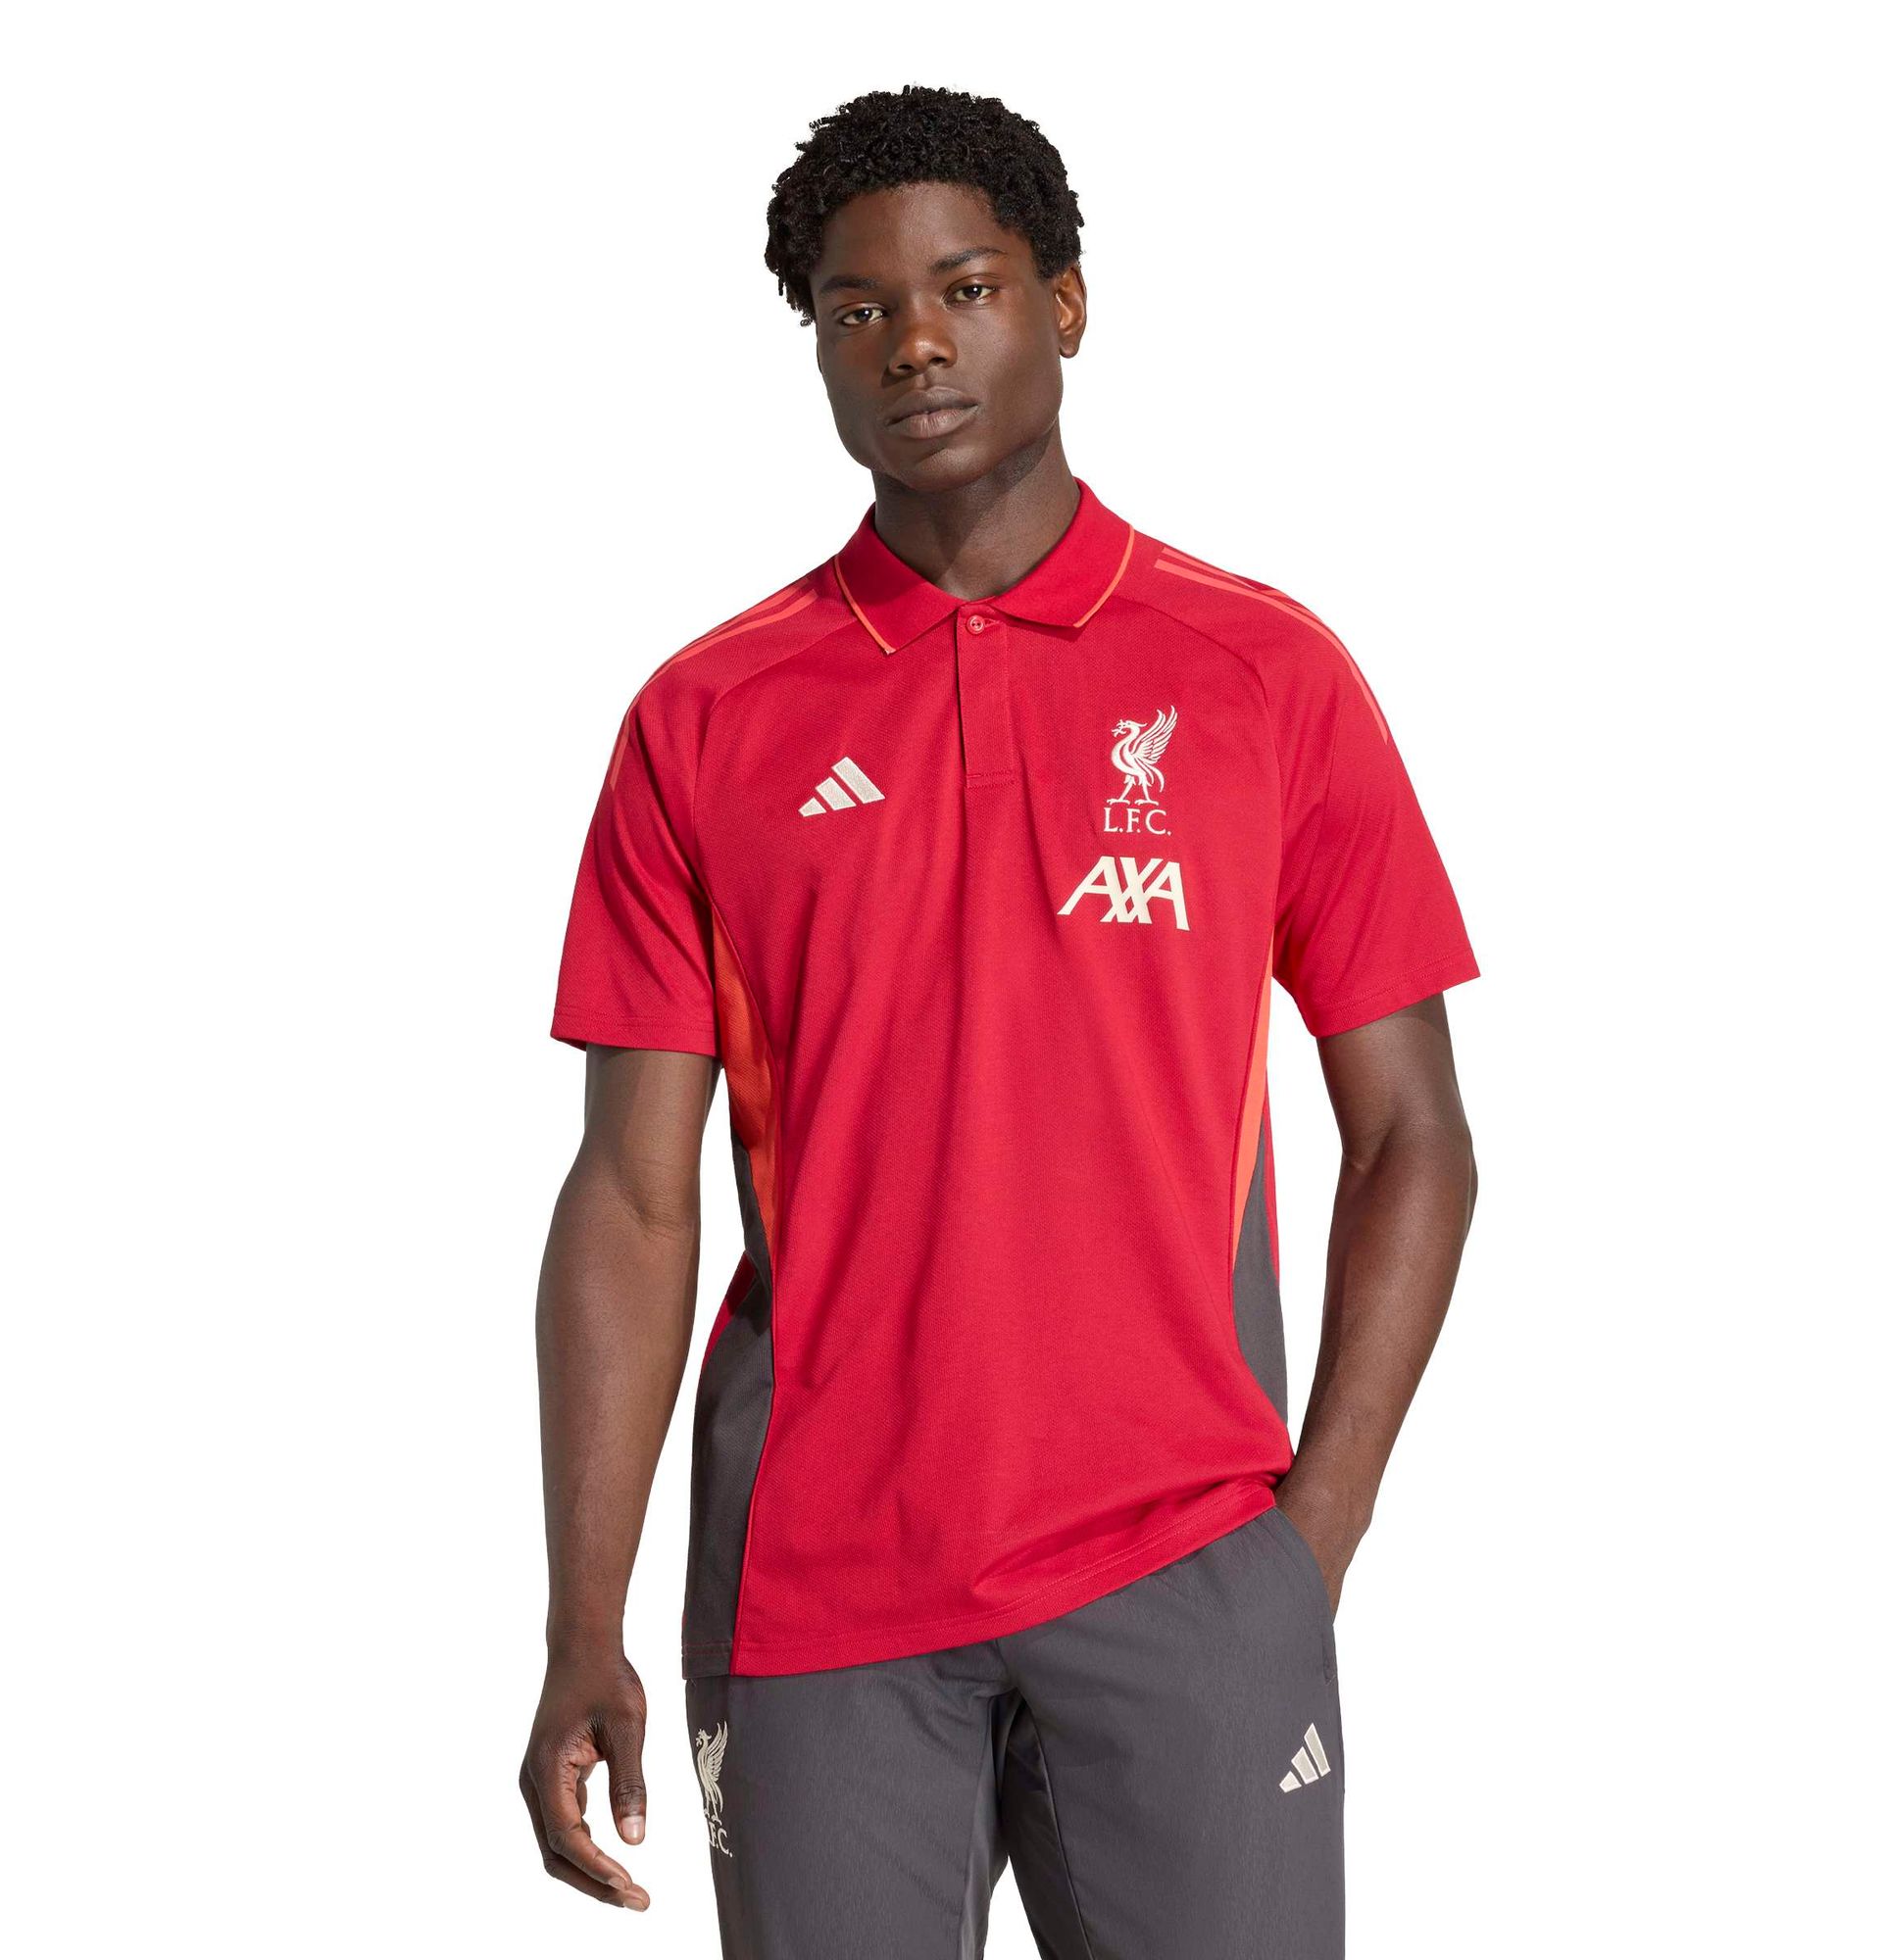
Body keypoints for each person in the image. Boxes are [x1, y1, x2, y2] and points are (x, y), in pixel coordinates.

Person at [520, 82, 1479, 1959]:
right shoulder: (707, 720)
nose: (914, 343)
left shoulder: (1262, 675)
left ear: (1066, 303)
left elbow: (1415, 1140)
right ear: (816, 346)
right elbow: (630, 1200)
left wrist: (1309, 1546)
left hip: (1188, 1572)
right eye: (857, 308)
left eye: (964, 287)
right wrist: (581, 1618)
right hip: (819, 1598)